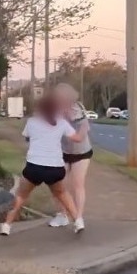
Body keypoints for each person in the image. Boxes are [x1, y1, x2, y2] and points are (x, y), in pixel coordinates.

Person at [0, 93, 89, 236]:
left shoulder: (32, 122)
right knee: (63, 194)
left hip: (34, 167)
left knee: (21, 196)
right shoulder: (61, 123)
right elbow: (78, 139)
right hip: (55, 168)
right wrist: (84, 127)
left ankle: (6, 226)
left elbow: (27, 137)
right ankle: (78, 221)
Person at [48, 83, 92, 228]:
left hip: (81, 151)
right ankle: (62, 215)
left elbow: (84, 130)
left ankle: (78, 217)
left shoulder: (78, 109)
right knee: (58, 184)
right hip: (62, 151)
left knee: (78, 184)